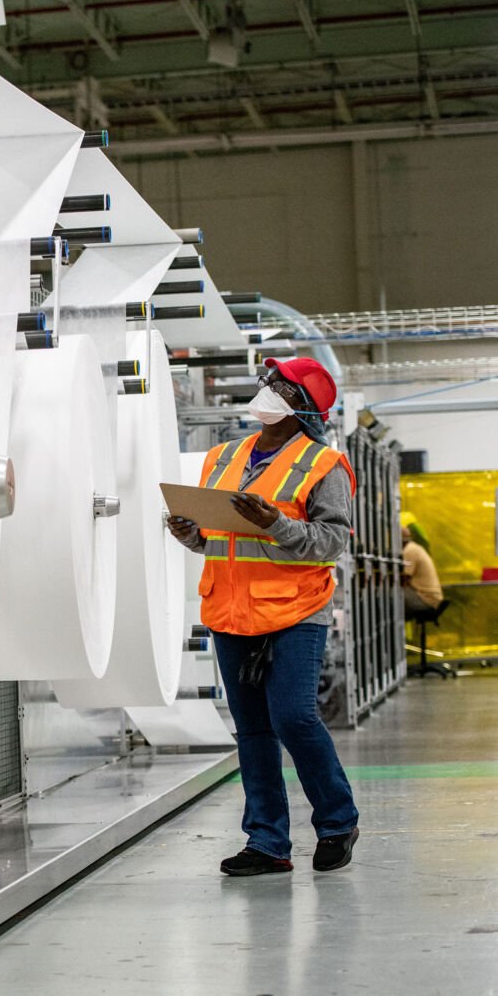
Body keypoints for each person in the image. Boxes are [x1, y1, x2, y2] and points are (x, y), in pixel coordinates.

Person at [167, 357, 360, 876]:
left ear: (302, 405)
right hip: (230, 609)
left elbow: (332, 543)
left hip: (295, 610)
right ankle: (268, 843)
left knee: (294, 718)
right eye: (267, 382)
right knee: (252, 730)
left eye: (279, 385)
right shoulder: (221, 457)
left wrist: (277, 524)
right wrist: (192, 536)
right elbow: (218, 537)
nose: (266, 390)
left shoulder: (324, 466)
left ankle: (338, 822)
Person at [401, 516, 443, 614]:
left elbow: (402, 580)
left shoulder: (409, 551)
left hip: (426, 599)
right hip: (432, 599)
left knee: (390, 597)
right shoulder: (415, 548)